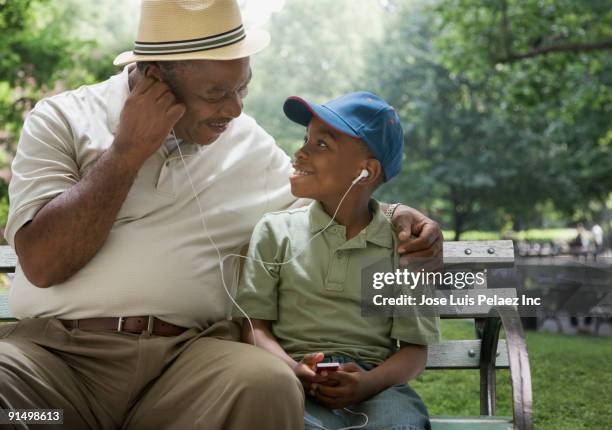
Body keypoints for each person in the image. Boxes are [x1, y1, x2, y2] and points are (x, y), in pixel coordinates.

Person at [0, 1, 442, 429]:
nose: (234, 109)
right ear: (154, 78)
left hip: (185, 372)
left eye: (242, 88)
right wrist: (127, 151)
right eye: (216, 94)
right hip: (55, 367)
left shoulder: (245, 142)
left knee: (265, 384)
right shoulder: (63, 118)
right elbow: (43, 264)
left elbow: (332, 205)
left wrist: (398, 212)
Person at [234, 92, 439, 430]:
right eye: (305, 139)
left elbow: (415, 350)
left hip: (376, 385)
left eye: (322, 145)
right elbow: (254, 328)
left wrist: (368, 384)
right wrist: (291, 369)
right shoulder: (275, 231)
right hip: (290, 377)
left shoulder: (404, 246)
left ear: (366, 171)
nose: (300, 152)